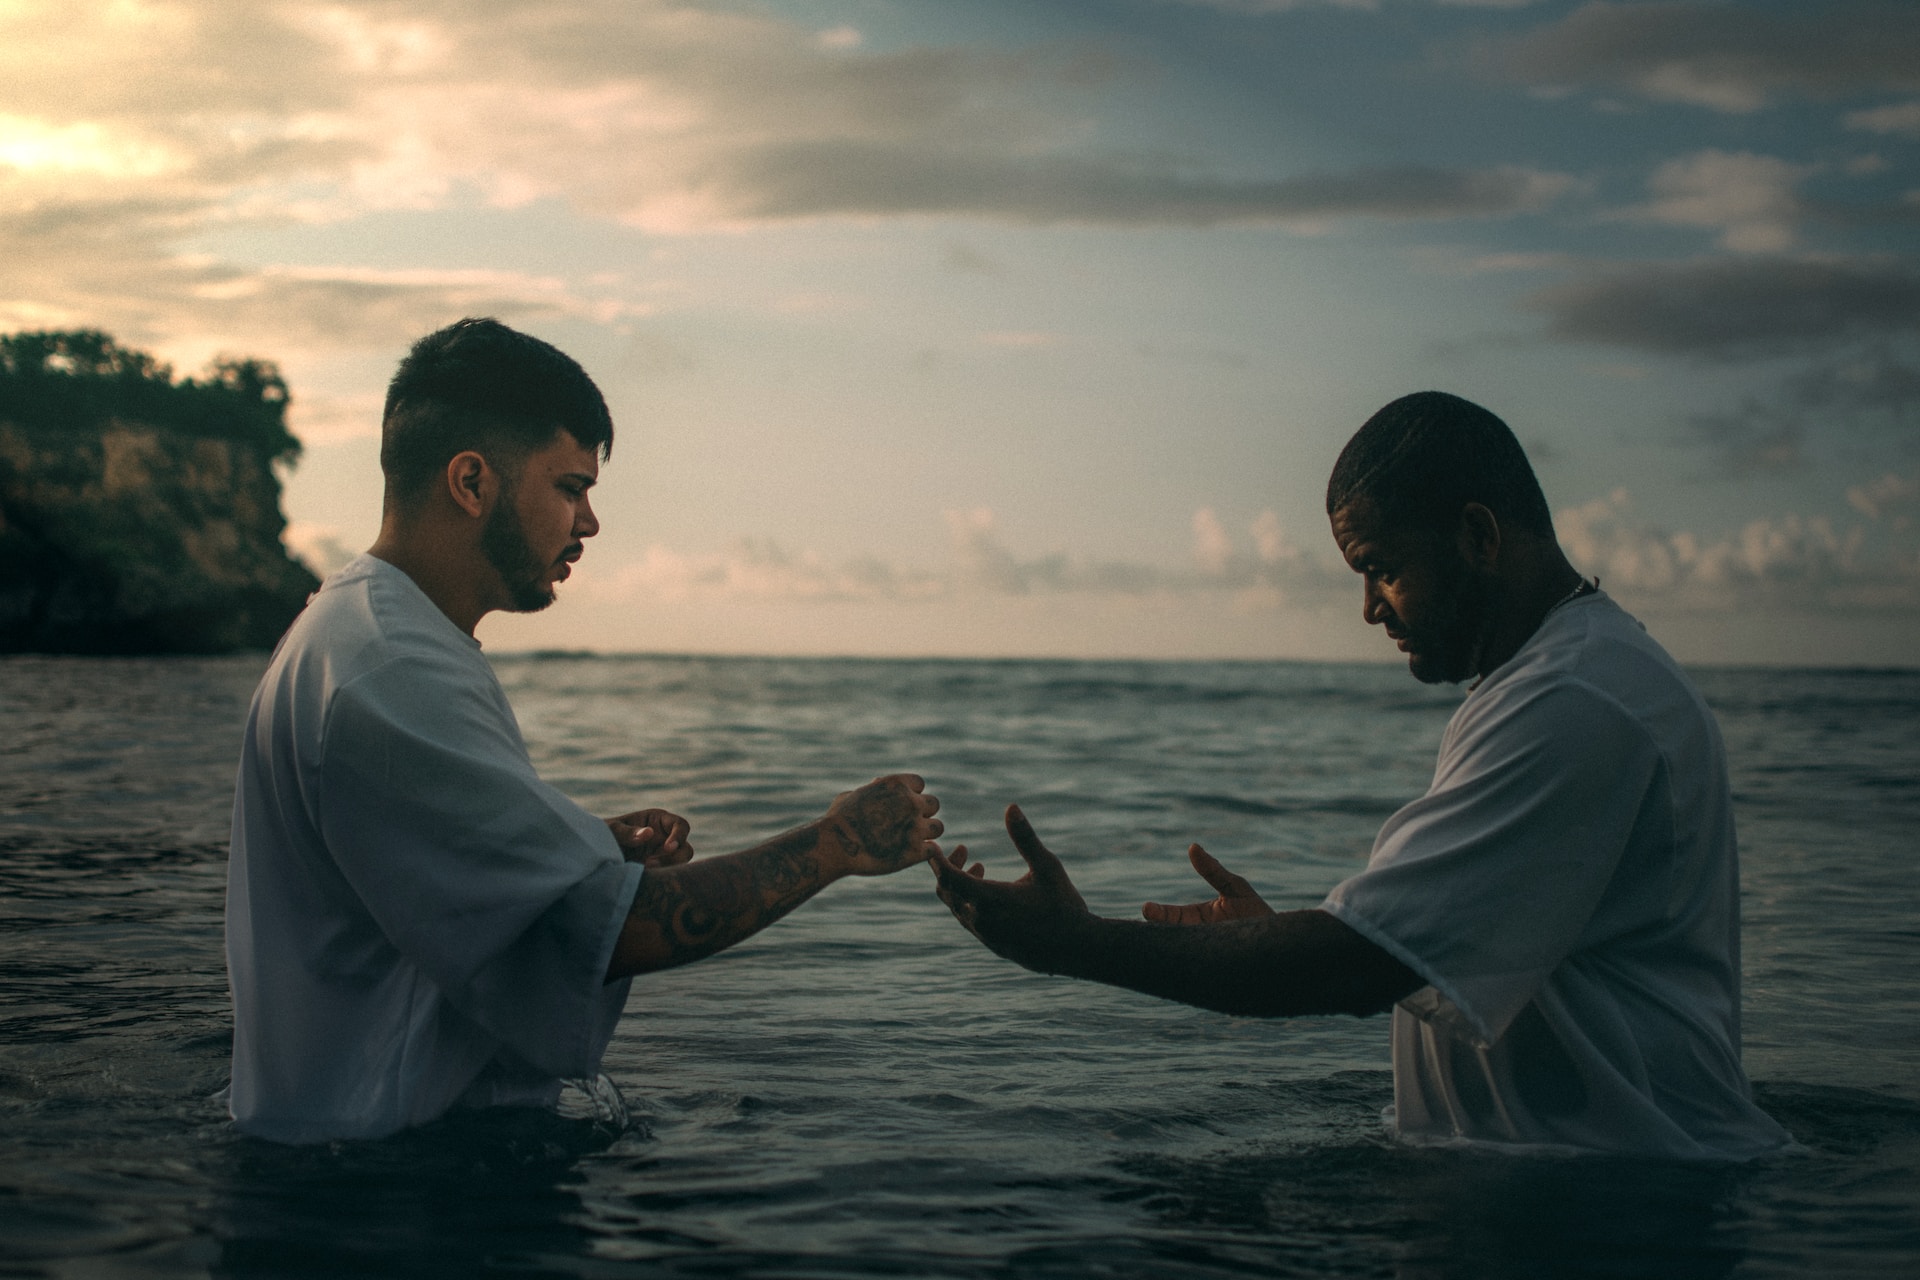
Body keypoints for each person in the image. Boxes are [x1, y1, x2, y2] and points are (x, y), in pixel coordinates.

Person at [932, 391, 1788, 1160]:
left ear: (1480, 537)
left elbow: (1358, 966)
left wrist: (1074, 944)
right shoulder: (1560, 680)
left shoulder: (1575, 699)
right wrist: (1260, 939)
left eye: (1381, 566)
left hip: (1622, 1201)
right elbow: (1418, 951)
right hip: (1570, 1182)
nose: (1370, 607)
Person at [226, 318, 943, 1144]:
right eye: (570, 488)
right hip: (381, 1188)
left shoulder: (362, 632)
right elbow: (610, 932)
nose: (590, 522)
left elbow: (401, 867)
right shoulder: (392, 669)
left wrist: (578, 844)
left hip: (353, 1156)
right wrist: (835, 844)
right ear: (470, 482)